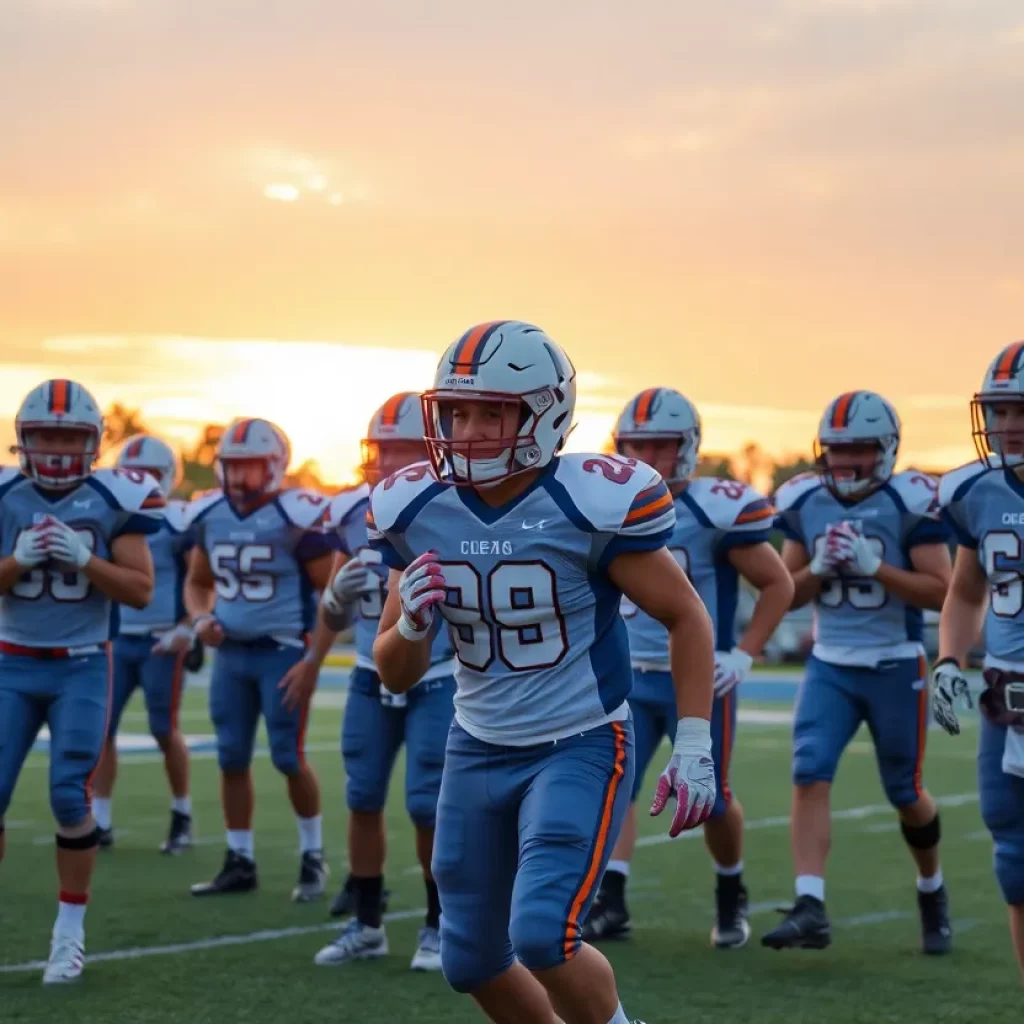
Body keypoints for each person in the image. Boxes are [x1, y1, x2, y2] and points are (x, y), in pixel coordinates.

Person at [369, 320, 716, 1024]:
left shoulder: (586, 503)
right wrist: (410, 625)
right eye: (457, 412)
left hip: (579, 741)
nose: (467, 431)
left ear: (544, 413)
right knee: (469, 961)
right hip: (476, 745)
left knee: (542, 936)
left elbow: (687, 616)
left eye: (492, 413)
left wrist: (695, 743)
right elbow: (395, 673)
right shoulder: (417, 509)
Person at [583, 388, 793, 948]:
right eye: (637, 445)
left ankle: (730, 890)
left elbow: (778, 582)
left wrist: (745, 652)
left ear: (689, 448)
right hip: (626, 676)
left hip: (696, 678)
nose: (648, 458)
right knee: (614, 788)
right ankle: (612, 899)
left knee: (713, 797)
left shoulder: (714, 508)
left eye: (661, 446)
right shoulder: (603, 504)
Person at [763, 390, 953, 954]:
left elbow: (943, 594)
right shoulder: (805, 500)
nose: (844, 462)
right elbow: (785, 596)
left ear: (887, 450)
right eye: (837, 449)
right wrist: (817, 568)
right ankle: (810, 904)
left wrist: (879, 568)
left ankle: (931, 888)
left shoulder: (911, 500)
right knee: (809, 769)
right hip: (830, 663)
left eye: (860, 450)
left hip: (895, 662)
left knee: (905, 790)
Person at [0, 379, 163, 983]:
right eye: (47, 434)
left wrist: (83, 559)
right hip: (12, 661)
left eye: (70, 435)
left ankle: (69, 935)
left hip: (81, 662)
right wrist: (20, 559)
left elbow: (142, 591)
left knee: (70, 793)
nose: (58, 446)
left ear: (94, 442)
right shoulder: (5, 496)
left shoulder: (116, 496)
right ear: (25, 439)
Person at [292, 393, 455, 971]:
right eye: (381, 451)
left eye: (403, 449)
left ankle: (441, 926)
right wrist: (334, 603)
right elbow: (334, 612)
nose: (388, 463)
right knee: (361, 796)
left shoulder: (454, 505)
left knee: (426, 806)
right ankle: (367, 924)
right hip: (367, 674)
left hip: (437, 676)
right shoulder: (349, 510)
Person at [184, 418, 335, 901]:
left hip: (281, 652)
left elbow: (332, 595)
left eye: (249, 467)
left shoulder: (298, 516)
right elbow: (197, 582)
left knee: (289, 758)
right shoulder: (210, 513)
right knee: (230, 757)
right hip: (230, 654)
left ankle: (313, 856)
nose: (238, 478)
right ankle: (239, 858)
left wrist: (313, 657)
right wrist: (199, 620)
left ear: (274, 467)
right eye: (231, 467)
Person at [932, 340, 1024, 983]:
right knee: (1014, 856)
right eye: (998, 410)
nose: (1007, 425)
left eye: (1021, 409)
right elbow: (967, 590)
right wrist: (948, 659)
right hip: (1007, 699)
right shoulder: (973, 489)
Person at [92, 434, 196, 854]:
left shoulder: (178, 522)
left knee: (163, 728)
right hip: (116, 639)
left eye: (149, 476)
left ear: (168, 478)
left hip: (161, 642)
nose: (141, 483)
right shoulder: (111, 517)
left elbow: (199, 582)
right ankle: (99, 820)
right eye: (133, 475)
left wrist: (186, 628)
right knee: (103, 729)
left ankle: (182, 814)